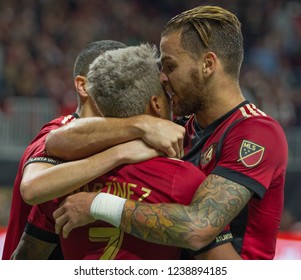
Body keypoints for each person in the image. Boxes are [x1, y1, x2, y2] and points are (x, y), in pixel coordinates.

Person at [50, 6, 288, 260]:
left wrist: (99, 204)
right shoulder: (175, 128)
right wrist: (137, 125)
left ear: (207, 64)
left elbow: (197, 228)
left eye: (170, 66)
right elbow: (57, 142)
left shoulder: (256, 132)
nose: (162, 77)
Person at [12, 44, 238, 260]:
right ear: (156, 104)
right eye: (166, 96)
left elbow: (23, 261)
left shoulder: (64, 181)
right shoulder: (185, 179)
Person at [2, 39, 143, 260]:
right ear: (83, 86)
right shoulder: (57, 132)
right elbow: (31, 187)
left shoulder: (120, 140)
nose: (130, 91)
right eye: (117, 79)